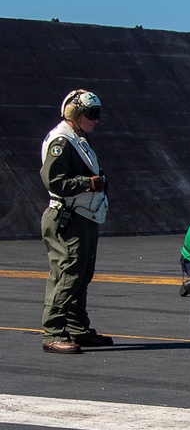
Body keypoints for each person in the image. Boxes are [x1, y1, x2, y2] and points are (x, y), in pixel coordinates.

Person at [39, 89, 112, 354]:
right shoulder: (62, 141)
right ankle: (53, 332)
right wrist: (87, 183)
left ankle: (78, 328)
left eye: (97, 114)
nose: (96, 119)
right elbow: (54, 182)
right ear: (75, 113)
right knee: (67, 275)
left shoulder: (78, 139)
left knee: (81, 275)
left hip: (84, 217)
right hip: (68, 217)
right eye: (91, 114)